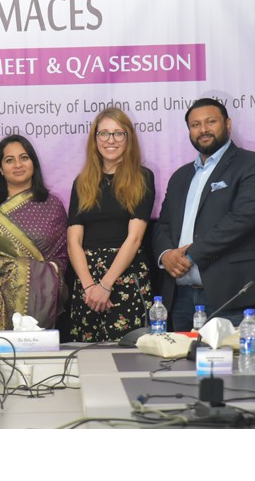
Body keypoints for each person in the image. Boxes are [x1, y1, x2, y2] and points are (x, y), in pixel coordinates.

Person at [153, 98, 255, 331]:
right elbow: (164, 225)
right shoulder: (180, 176)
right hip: (179, 298)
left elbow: (243, 219)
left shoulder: (254, 164)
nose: (203, 130)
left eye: (211, 122)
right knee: (180, 366)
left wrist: (189, 256)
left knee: (232, 366)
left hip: (231, 296)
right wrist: (167, 255)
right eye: (195, 125)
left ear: (228, 124)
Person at [0, 135, 68, 345]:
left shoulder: (53, 206)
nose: (18, 165)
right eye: (9, 160)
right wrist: (20, 269)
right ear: (0, 169)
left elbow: (61, 259)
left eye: (24, 157)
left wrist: (44, 272)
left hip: (38, 301)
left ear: (33, 163)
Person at [67, 107, 156, 342]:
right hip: (87, 280)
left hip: (125, 276)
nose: (111, 140)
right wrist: (89, 287)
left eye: (118, 133)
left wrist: (105, 285)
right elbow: (73, 241)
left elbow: (135, 238)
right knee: (85, 358)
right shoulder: (82, 182)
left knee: (129, 358)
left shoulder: (142, 177)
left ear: (129, 138)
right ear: (95, 139)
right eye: (104, 133)